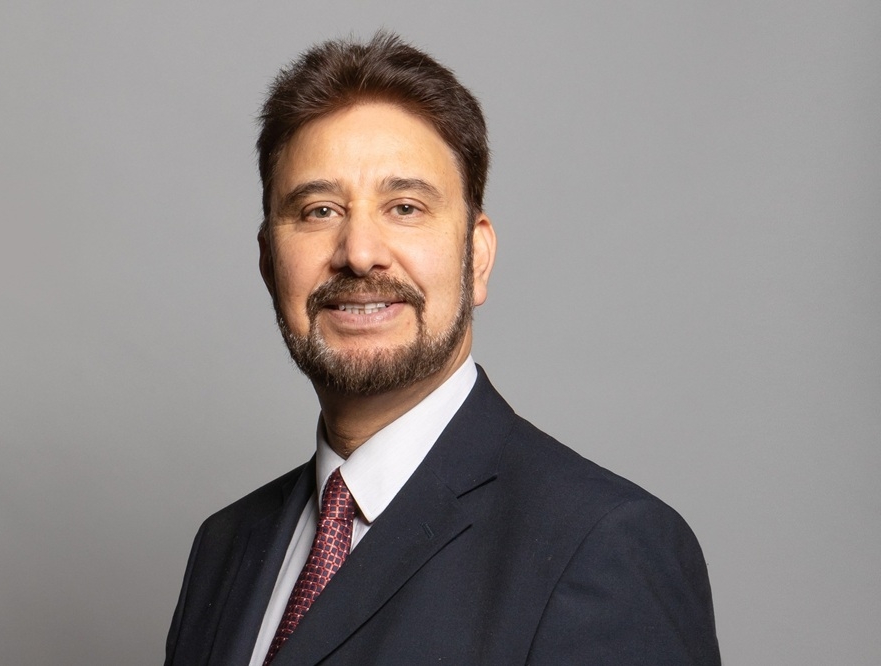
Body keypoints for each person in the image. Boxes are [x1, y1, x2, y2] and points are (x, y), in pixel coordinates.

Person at [165, 32, 720, 665]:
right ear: (269, 262)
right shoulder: (226, 547)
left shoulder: (602, 545)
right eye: (319, 211)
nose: (359, 253)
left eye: (405, 207)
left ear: (476, 257)